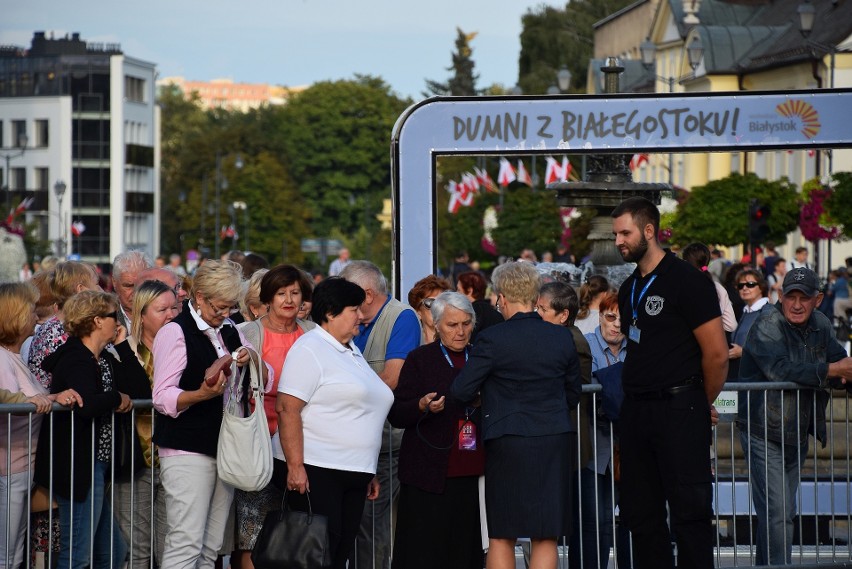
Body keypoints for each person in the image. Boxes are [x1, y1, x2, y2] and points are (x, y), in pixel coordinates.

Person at [610, 197, 728, 568]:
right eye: (615, 235)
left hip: (679, 408)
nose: (618, 241)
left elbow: (717, 355)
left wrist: (695, 401)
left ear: (649, 231)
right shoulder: (629, 287)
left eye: (624, 233)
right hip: (638, 412)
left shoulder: (689, 282)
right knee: (641, 516)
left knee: (689, 514)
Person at [451, 261, 582, 569]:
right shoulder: (561, 337)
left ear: (502, 298)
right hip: (552, 437)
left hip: (506, 439)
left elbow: (461, 389)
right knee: (546, 533)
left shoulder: (492, 339)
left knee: (502, 533)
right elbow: (573, 392)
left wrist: (486, 398)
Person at [152, 260, 271, 569]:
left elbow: (267, 376)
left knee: (212, 546)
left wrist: (252, 358)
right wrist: (200, 395)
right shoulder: (174, 333)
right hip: (186, 448)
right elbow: (163, 397)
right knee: (186, 541)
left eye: (231, 307)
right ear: (200, 297)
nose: (226, 314)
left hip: (224, 447)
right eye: (220, 307)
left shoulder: (230, 329)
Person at [275, 277, 394, 569]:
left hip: (352, 470)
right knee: (317, 555)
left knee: (339, 552)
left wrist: (367, 468)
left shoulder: (350, 350)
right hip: (317, 468)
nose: (362, 316)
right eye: (354, 309)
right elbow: (287, 408)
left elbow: (359, 410)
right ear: (331, 313)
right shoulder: (311, 348)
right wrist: (295, 466)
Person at [737, 267, 852, 565]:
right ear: (779, 295)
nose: (797, 304)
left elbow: (839, 358)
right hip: (762, 429)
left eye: (804, 297)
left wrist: (843, 371)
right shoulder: (766, 324)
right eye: (791, 296)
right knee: (778, 515)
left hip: (795, 431)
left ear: (818, 300)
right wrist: (832, 371)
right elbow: (780, 370)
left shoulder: (821, 323)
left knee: (781, 514)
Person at [33, 290, 151, 569]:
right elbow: (86, 404)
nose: (119, 322)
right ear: (98, 320)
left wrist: (122, 345)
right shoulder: (75, 358)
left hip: (95, 465)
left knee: (110, 552)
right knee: (78, 554)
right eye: (114, 317)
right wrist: (115, 398)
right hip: (78, 464)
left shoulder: (105, 356)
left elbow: (141, 390)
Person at [388, 292, 485, 569]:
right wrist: (421, 406)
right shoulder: (420, 359)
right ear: (437, 324)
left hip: (471, 470)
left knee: (465, 550)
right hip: (427, 472)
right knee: (424, 550)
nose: (460, 331)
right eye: (452, 325)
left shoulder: (481, 356)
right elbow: (397, 412)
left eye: (466, 324)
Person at [231, 265, 316, 569]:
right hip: (259, 442)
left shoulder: (313, 332)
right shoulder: (248, 333)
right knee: (251, 531)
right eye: (281, 293)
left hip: (303, 444)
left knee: (295, 529)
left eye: (295, 293)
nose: (289, 300)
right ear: (268, 298)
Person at [339, 261, 420, 569]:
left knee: (373, 526)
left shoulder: (401, 318)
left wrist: (344, 397)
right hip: (357, 442)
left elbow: (392, 378)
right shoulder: (355, 321)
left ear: (367, 294)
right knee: (359, 525)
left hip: (386, 443)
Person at [0, 282, 81, 569]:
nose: (36, 316)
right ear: (16, 315)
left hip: (21, 466)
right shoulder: (2, 359)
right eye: (31, 310)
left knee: (14, 551)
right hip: (10, 468)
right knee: (8, 554)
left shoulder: (12, 356)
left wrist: (46, 398)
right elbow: (9, 401)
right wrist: (41, 400)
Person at [116, 279, 179, 568]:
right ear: (142, 314)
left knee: (170, 548)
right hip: (135, 460)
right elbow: (141, 392)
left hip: (175, 459)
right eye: (162, 309)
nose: (171, 314)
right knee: (137, 549)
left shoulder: (184, 347)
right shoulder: (122, 350)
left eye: (175, 308)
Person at [568, 292, 629, 569]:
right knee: (595, 520)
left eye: (622, 318)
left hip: (627, 448)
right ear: (600, 316)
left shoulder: (637, 346)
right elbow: (590, 391)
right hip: (592, 446)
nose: (616, 325)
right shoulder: (586, 344)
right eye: (610, 317)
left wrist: (609, 386)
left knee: (630, 518)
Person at [682, 242, 738, 339]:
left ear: (685, 261)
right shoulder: (718, 287)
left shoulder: (681, 286)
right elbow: (731, 325)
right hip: (713, 342)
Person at [727, 268, 770, 380]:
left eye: (750, 284)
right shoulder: (744, 311)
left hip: (758, 379)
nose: (745, 288)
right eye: (740, 286)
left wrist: (743, 352)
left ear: (761, 287)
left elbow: (772, 347)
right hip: (740, 375)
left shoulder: (768, 312)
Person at [112, 250, 154, 330]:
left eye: (141, 286)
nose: (135, 293)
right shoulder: (105, 318)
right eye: (128, 286)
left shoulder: (164, 317)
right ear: (114, 282)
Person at [456, 270, 503, 342]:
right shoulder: (495, 313)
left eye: (459, 290)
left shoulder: (472, 313)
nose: (456, 293)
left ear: (469, 290)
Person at [407, 274, 452, 344]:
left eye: (442, 301)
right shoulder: (410, 345)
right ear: (418, 312)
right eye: (431, 303)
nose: (438, 307)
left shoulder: (459, 345)